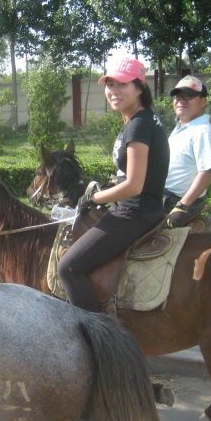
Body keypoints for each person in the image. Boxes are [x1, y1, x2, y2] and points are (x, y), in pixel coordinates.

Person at [57, 57, 169, 312]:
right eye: (109, 85)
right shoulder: (141, 120)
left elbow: (134, 185)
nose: (114, 91)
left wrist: (93, 199)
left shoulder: (138, 127)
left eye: (122, 85)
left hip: (133, 213)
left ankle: (98, 336)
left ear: (139, 88)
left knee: (68, 268)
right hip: (140, 209)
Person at [163, 75, 211, 227]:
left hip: (178, 201)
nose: (181, 100)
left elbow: (207, 173)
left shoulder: (203, 132)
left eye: (188, 95)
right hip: (165, 196)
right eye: (177, 96)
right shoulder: (182, 128)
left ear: (203, 101)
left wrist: (182, 206)